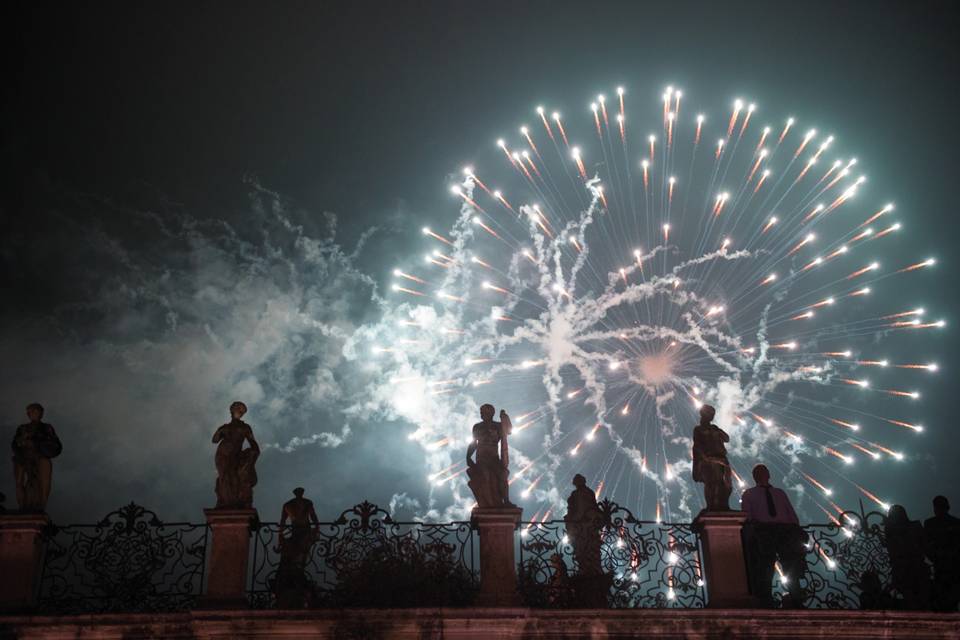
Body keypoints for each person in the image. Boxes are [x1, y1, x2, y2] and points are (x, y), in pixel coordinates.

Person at [740, 464, 806, 608]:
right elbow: (747, 516)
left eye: (763, 472)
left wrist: (795, 528)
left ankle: (795, 596)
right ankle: (766, 598)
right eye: (758, 472)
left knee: (790, 566)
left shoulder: (779, 493)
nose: (761, 474)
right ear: (754, 476)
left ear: (768, 474)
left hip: (784, 531)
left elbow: (790, 512)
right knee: (765, 567)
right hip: (764, 531)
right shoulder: (749, 494)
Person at [11, 403, 63, 512]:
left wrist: (35, 442)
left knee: (45, 479)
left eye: (37, 411)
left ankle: (41, 506)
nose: (34, 414)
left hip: (40, 456)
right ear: (28, 414)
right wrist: (22, 444)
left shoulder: (46, 427)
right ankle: (21, 506)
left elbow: (56, 445)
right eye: (32, 412)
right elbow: (15, 444)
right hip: (23, 456)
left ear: (41, 414)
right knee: (19, 481)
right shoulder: (22, 428)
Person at [212, 401, 260, 509]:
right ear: (232, 411)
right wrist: (219, 431)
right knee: (224, 477)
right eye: (239, 410)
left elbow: (252, 441)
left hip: (235, 454)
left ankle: (234, 501)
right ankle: (224, 502)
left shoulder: (245, 427)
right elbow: (215, 440)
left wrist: (254, 452)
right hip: (222, 454)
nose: (241, 413)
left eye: (242, 411)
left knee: (235, 476)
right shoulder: (225, 427)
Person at [466, 404, 515, 508]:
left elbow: (509, 430)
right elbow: (474, 443)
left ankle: (506, 501)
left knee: (502, 474)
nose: (482, 414)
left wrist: (505, 417)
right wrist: (468, 456)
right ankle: (488, 503)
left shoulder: (498, 426)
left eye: (484, 412)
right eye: (481, 412)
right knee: (485, 474)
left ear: (491, 413)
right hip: (481, 457)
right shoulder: (477, 426)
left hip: (494, 457)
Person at [884, 504, 931, 610]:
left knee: (916, 601)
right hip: (913, 569)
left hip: (907, 570)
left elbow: (891, 550)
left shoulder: (891, 530)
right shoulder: (914, 526)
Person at [692, 404, 732, 511]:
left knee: (724, 484)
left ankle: (723, 506)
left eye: (712, 414)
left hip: (721, 459)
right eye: (710, 413)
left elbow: (727, 438)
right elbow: (697, 446)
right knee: (711, 483)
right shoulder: (698, 429)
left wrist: (717, 431)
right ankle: (711, 506)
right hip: (708, 460)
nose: (712, 416)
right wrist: (705, 458)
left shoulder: (714, 428)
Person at [923, 495, 960, 611]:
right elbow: (926, 544)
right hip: (944, 565)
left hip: (951, 565)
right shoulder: (955, 523)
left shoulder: (930, 523)